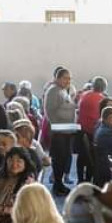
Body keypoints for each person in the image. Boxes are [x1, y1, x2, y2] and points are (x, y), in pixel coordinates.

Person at [44, 67, 77, 195]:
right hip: (59, 131)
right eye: (65, 78)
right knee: (58, 159)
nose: (68, 81)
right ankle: (57, 184)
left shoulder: (63, 90)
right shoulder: (53, 91)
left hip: (67, 130)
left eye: (69, 78)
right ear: (58, 79)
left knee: (64, 159)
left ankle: (60, 183)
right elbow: (50, 111)